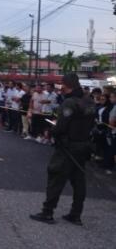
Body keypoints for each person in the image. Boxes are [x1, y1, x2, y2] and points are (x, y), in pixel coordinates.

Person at [30, 73, 95, 226]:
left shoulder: (70, 103)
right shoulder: (90, 101)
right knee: (79, 181)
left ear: (66, 84)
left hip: (67, 147)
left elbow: (61, 126)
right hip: (84, 146)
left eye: (62, 84)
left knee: (56, 177)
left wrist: (50, 131)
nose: (61, 87)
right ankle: (76, 214)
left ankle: (47, 212)